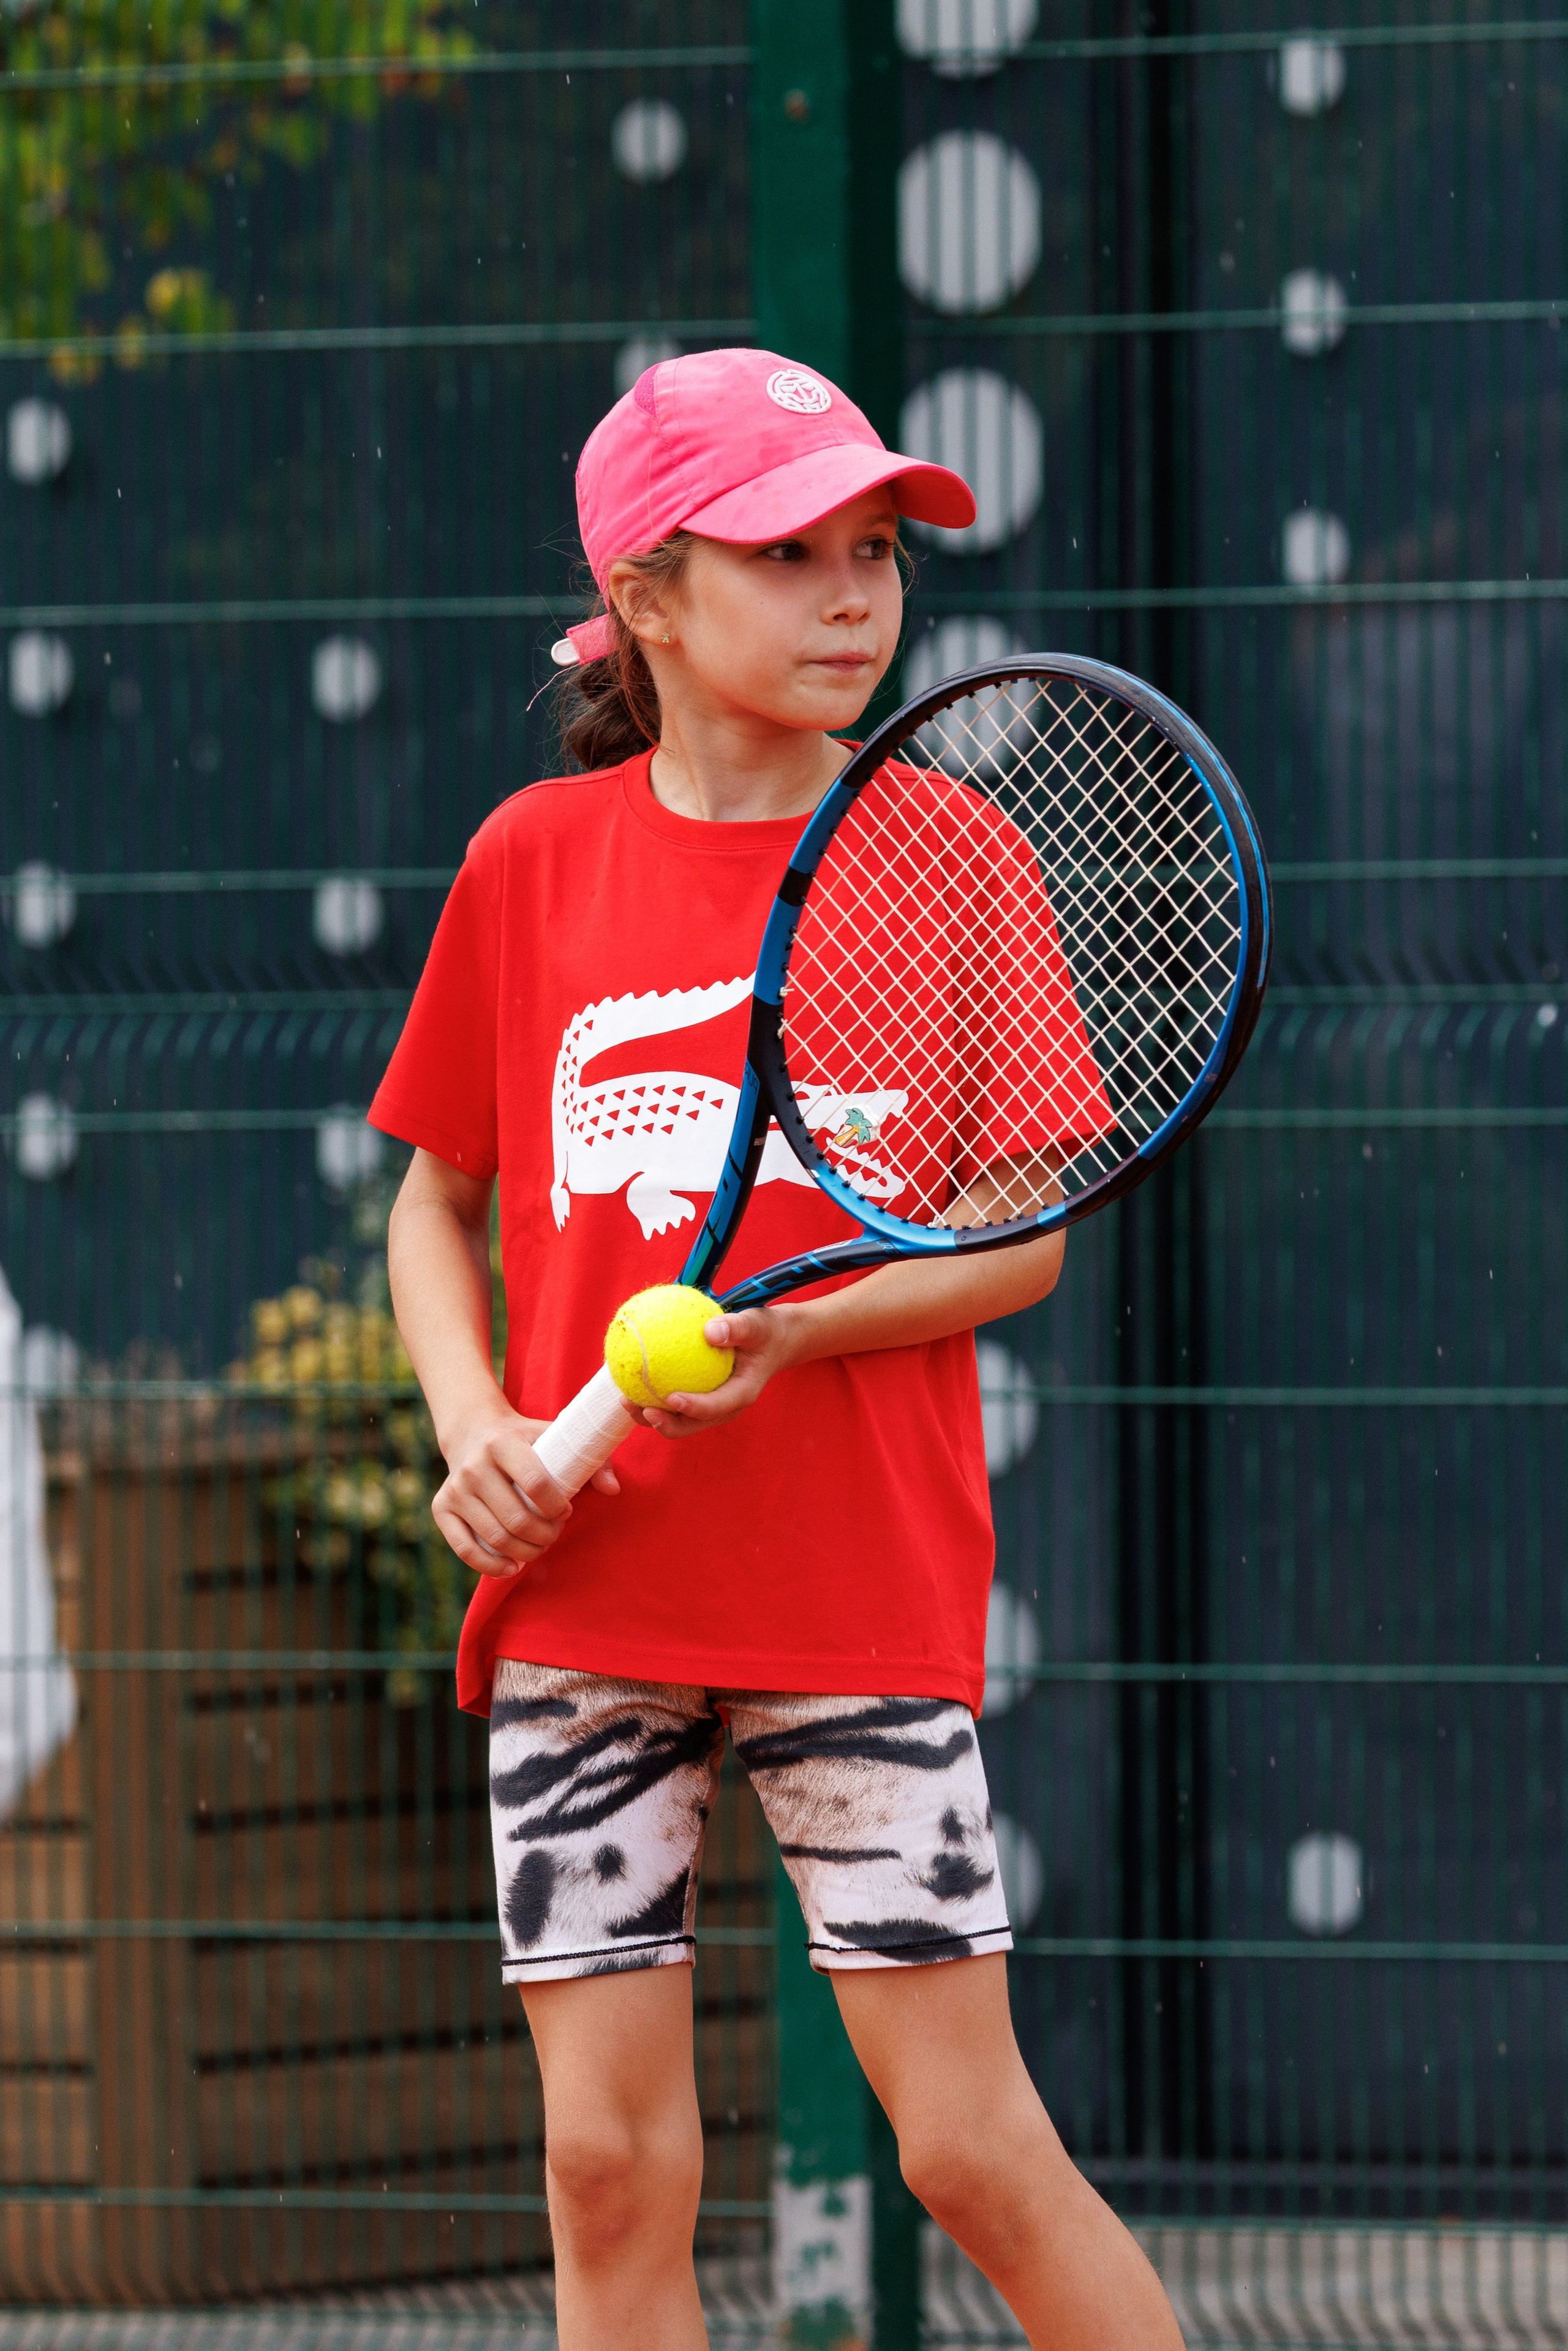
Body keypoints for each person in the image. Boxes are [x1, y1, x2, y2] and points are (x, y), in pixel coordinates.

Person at [371, 347, 1185, 2351]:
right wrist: (475, 1422)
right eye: (790, 553)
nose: (853, 599)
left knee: (968, 2152)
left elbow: (1023, 1236)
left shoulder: (960, 858)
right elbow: (433, 1203)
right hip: (584, 1599)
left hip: (856, 1599)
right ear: (646, 598)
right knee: (605, 2166)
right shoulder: (529, 860)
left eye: (876, 552)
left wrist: (792, 1332)